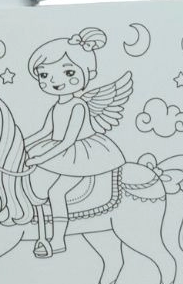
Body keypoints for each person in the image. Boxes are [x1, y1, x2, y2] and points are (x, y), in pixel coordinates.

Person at [24, 28, 133, 257]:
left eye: (68, 72)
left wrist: (40, 157)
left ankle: (58, 240)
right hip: (58, 149)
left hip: (80, 153)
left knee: (57, 192)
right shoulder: (57, 106)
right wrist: (19, 145)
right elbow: (45, 132)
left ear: (87, 73)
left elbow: (68, 140)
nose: (54, 81)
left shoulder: (78, 106)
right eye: (44, 75)